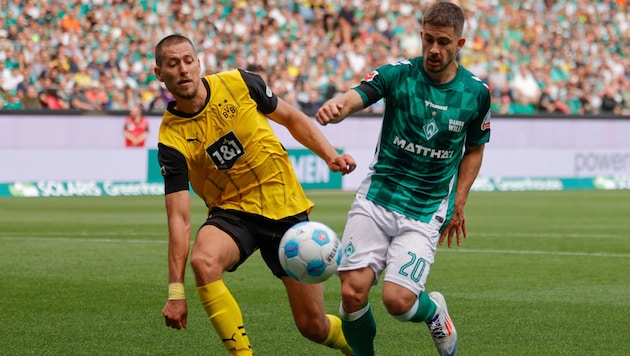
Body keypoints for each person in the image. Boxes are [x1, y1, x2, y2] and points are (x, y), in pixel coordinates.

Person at [153, 34, 356, 356]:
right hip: (233, 212)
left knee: (313, 327)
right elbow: (179, 218)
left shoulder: (240, 83)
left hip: (284, 204)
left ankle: (359, 349)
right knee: (204, 261)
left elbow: (290, 118)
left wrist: (329, 154)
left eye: (188, 61)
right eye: (172, 64)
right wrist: (176, 291)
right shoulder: (170, 139)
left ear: (198, 62)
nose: (183, 70)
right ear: (159, 73)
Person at [315, 2, 491, 356]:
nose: (434, 50)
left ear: (460, 44)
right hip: (377, 198)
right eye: (428, 40)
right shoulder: (400, 74)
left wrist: (460, 200)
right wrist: (339, 107)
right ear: (421, 34)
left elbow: (474, 148)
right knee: (352, 293)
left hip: (425, 211)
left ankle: (435, 311)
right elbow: (360, 94)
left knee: (398, 301)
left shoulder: (476, 93)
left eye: (443, 42)